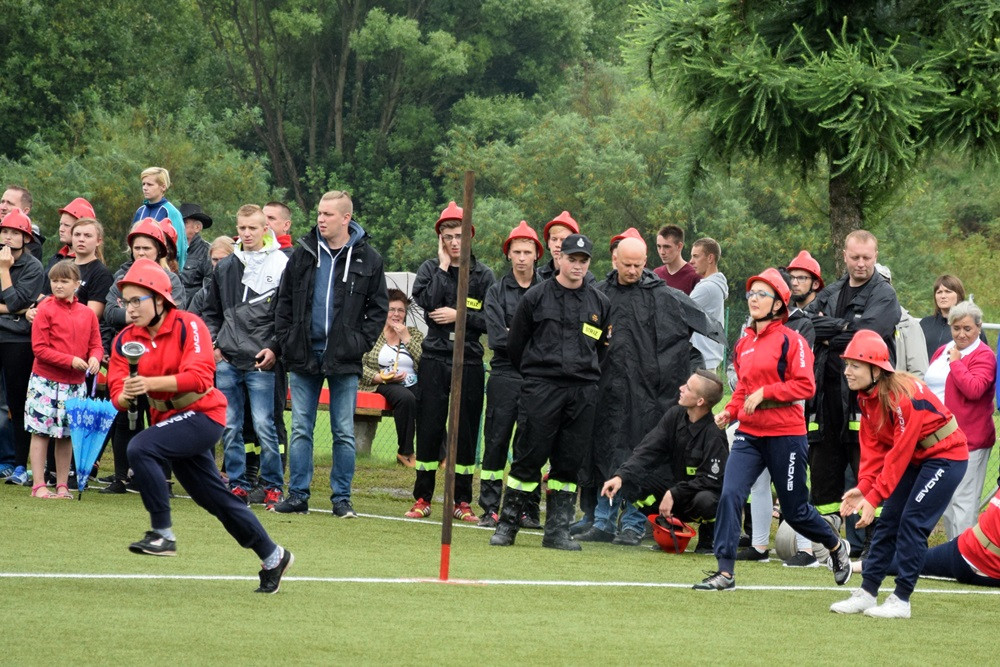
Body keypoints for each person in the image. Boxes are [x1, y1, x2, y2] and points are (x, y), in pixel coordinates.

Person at [107, 258, 293, 592]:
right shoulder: (124, 339)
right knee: (215, 500)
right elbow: (117, 392)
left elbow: (199, 377)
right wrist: (126, 396)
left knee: (140, 447)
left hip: (203, 415)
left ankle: (162, 533)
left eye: (138, 300)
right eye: (126, 301)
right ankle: (273, 555)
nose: (130, 308)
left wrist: (149, 384)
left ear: (160, 299)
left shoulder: (187, 325)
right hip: (170, 422)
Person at [700, 268, 852, 591]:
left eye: (762, 294)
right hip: (749, 435)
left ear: (778, 304)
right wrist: (728, 411)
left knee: (796, 511)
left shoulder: (791, 340)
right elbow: (742, 388)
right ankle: (725, 572)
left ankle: (836, 547)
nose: (754, 299)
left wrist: (766, 394)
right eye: (751, 294)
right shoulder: (744, 344)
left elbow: (806, 385)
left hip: (786, 435)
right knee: (730, 495)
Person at [580, 236, 725, 547]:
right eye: (627, 264)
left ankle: (633, 521)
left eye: (639, 264)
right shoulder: (599, 295)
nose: (633, 270)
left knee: (641, 455)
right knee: (603, 451)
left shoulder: (665, 297)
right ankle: (602, 520)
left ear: (646, 262)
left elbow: (703, 332)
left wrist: (687, 372)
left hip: (648, 397)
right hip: (606, 392)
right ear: (614, 260)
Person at [832, 330, 969, 618]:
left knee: (912, 522)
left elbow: (900, 452)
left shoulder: (903, 396)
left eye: (855, 365)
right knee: (889, 520)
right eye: (847, 364)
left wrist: (875, 497)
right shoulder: (866, 399)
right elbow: (873, 452)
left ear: (876, 369)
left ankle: (901, 599)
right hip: (918, 459)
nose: (847, 371)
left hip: (946, 458)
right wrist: (866, 488)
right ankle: (868, 592)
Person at [490, 233, 611, 551]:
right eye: (572, 258)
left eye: (583, 261)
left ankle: (557, 531)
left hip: (582, 392)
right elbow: (515, 344)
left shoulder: (600, 303)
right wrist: (536, 376)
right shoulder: (535, 297)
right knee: (527, 458)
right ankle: (508, 525)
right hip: (541, 388)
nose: (577, 265)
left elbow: (601, 350)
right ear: (559, 259)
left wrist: (583, 375)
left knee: (568, 464)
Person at [271, 190, 387, 517]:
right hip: (304, 354)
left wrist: (357, 343)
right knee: (301, 429)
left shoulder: (369, 259)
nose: (321, 219)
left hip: (344, 358)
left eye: (328, 214)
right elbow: (283, 303)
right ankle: (298, 496)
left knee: (343, 432)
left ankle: (342, 499)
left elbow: (377, 311)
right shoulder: (303, 254)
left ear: (346, 218)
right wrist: (288, 338)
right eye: (319, 213)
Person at [805, 231, 900, 538]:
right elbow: (806, 324)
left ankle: (874, 548)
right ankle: (827, 547)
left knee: (869, 472)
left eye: (867, 258)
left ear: (876, 257)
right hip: (825, 399)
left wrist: (829, 334)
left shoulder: (884, 295)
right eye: (855, 257)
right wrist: (846, 326)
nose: (861, 264)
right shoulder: (831, 292)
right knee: (823, 476)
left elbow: (870, 334)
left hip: (867, 400)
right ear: (844, 256)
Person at [405, 201, 493, 521]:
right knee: (429, 426)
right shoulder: (431, 269)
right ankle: (423, 497)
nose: (455, 243)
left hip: (468, 360)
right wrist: (443, 268)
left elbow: (490, 319)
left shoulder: (483, 275)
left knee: (466, 430)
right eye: (448, 237)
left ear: (470, 237)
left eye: (460, 236)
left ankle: (462, 500)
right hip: (435, 357)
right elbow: (426, 302)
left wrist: (460, 316)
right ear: (441, 240)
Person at [202, 205, 289, 510]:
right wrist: (214, 343)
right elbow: (211, 311)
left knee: (266, 425)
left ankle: (273, 486)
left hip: (261, 361)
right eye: (242, 228)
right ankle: (237, 484)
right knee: (230, 425)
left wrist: (275, 348)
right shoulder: (226, 267)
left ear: (266, 228)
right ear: (236, 229)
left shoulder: (282, 264)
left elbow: (286, 317)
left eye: (253, 228)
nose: (247, 234)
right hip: (227, 358)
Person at [99, 219, 187, 494]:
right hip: (127, 354)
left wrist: (131, 314)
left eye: (146, 248)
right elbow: (109, 313)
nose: (140, 253)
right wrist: (142, 314)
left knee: (161, 415)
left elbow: (176, 313)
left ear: (159, 249)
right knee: (125, 416)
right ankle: (122, 476)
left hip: (160, 355)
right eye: (136, 248)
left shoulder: (171, 279)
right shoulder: (121, 277)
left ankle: (163, 479)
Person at [600, 370, 729, 554]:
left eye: (688, 388)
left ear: (700, 401)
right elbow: (648, 450)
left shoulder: (714, 434)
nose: (681, 388)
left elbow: (712, 481)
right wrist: (621, 476)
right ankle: (664, 528)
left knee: (707, 500)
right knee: (630, 482)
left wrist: (674, 493)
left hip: (698, 495)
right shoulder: (675, 415)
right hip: (676, 492)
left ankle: (709, 538)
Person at [478, 222, 541, 528]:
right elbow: (496, 340)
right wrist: (529, 338)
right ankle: (489, 508)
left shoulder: (547, 290)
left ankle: (527, 510)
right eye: (516, 251)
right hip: (503, 374)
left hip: (537, 378)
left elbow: (551, 338)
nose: (521, 257)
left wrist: (511, 331)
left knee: (530, 445)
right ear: (508, 254)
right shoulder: (496, 291)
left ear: (536, 255)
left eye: (527, 251)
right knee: (496, 440)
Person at [26, 261, 102, 498]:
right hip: (45, 381)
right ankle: (38, 483)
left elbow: (96, 344)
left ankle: (61, 484)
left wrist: (95, 359)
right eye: (54, 281)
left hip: (76, 384)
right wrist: (69, 360)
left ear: (76, 284)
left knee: (67, 435)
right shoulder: (45, 309)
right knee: (41, 432)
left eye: (64, 281)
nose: (58, 285)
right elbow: (39, 349)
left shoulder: (88, 313)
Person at [923, 300, 995, 540]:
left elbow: (974, 389)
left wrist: (956, 362)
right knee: (948, 501)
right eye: (956, 328)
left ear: (979, 328)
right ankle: (952, 554)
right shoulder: (942, 349)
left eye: (967, 328)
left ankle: (964, 557)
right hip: (941, 439)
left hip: (970, 439)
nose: (961, 334)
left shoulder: (984, 355)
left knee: (964, 502)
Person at [0, 210, 46, 487]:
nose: (8, 236)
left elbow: (17, 302)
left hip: (18, 341)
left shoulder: (32, 267)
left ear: (25, 238)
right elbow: (17, 306)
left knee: (17, 405)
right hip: (7, 332)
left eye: (15, 232)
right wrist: (14, 310)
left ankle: (19, 465)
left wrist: (4, 271)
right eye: (5, 231)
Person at [359, 288, 423, 467]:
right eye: (392, 309)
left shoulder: (414, 334)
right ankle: (406, 452)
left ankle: (440, 454)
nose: (396, 314)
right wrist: (379, 377)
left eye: (401, 310)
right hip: (383, 382)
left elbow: (424, 362)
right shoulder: (372, 333)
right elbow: (358, 364)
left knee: (431, 400)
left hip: (412, 381)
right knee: (406, 398)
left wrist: (407, 338)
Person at [875, 264, 928, 378]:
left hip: (897, 394)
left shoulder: (908, 324)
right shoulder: (853, 320)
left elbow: (919, 373)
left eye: (883, 284)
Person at [131, 166, 188, 271]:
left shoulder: (171, 212)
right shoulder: (140, 211)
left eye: (150, 184)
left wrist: (174, 273)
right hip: (138, 268)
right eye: (143, 184)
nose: (145, 187)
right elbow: (132, 244)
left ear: (163, 187)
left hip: (163, 270)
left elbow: (179, 249)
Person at [688, 237, 727, 372]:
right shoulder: (714, 285)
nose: (691, 261)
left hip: (702, 361)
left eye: (696, 256)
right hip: (706, 360)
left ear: (710, 258)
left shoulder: (707, 287)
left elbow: (679, 311)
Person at [920, 275, 971, 360]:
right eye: (939, 292)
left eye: (948, 291)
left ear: (959, 295)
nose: (943, 296)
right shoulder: (924, 324)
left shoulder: (969, 327)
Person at [187, 236, 236, 316]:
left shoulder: (245, 290)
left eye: (224, 259)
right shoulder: (203, 294)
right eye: (215, 260)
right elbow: (190, 323)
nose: (219, 265)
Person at [178, 203, 214, 308]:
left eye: (184, 223)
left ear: (197, 227)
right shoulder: (170, 250)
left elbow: (210, 290)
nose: (178, 226)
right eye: (177, 222)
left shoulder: (207, 252)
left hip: (194, 314)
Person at [653, 224, 699, 294]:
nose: (662, 252)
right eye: (659, 246)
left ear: (679, 246)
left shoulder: (694, 276)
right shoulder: (656, 274)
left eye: (667, 247)